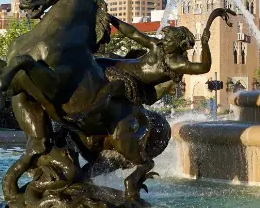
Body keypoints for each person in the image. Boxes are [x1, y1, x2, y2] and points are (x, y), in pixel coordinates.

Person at [66, 7, 234, 126]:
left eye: (169, 40)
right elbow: (133, 33)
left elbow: (204, 67)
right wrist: (111, 19)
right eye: (165, 38)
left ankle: (84, 116)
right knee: (90, 61)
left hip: (131, 83)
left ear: (180, 44)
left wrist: (204, 44)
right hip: (116, 64)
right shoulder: (157, 45)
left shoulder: (177, 64)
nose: (164, 41)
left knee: (111, 88)